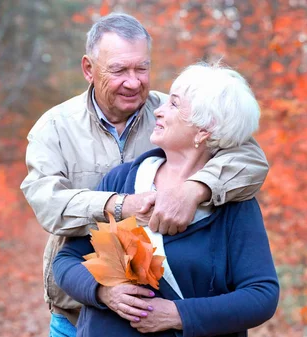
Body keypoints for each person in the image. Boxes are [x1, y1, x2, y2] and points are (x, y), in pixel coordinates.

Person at [20, 13, 269, 336]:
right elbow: (48, 206)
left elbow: (250, 156)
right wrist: (120, 207)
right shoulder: (54, 129)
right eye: (119, 70)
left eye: (142, 68)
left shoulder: (179, 112)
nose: (134, 81)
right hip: (75, 313)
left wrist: (195, 190)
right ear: (88, 69)